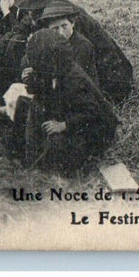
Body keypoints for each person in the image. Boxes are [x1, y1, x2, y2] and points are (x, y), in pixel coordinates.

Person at [22, 28, 118, 176]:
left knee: (57, 142)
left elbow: (92, 113)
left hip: (92, 130)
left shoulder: (75, 81)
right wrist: (31, 81)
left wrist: (63, 125)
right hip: (71, 113)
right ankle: (31, 161)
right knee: (34, 106)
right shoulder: (56, 69)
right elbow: (43, 92)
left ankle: (45, 171)